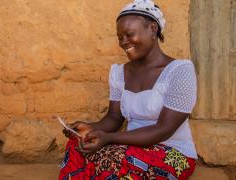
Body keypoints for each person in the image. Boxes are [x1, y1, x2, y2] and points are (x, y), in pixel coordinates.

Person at [59, 0, 197, 179]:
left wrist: (109, 139)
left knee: (113, 158)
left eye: (129, 34)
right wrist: (88, 128)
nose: (124, 42)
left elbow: (164, 129)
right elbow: (114, 118)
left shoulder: (179, 71)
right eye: (119, 37)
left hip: (172, 151)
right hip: (128, 146)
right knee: (78, 145)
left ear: (153, 29)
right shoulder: (119, 73)